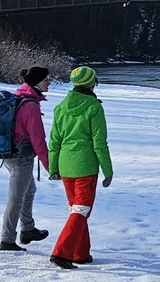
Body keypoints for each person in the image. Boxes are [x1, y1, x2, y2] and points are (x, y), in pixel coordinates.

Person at [46, 64, 113, 269]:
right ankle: (61, 252)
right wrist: (108, 170)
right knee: (81, 210)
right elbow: (99, 142)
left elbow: (54, 141)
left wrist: (53, 167)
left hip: (66, 165)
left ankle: (80, 254)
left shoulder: (60, 108)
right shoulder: (94, 107)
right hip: (86, 166)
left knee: (77, 209)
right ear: (92, 84)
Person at [0, 66, 54, 250]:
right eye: (46, 79)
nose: (49, 83)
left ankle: (28, 230)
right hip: (21, 157)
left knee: (29, 191)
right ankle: (7, 241)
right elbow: (38, 141)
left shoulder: (20, 96)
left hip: (11, 154)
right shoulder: (30, 106)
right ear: (37, 82)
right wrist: (50, 167)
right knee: (16, 198)